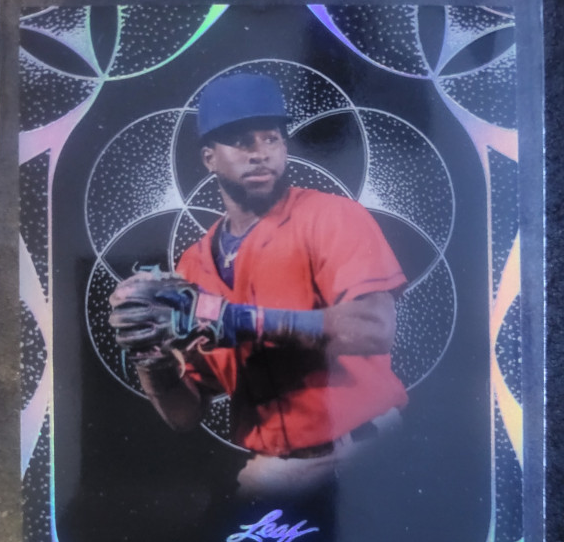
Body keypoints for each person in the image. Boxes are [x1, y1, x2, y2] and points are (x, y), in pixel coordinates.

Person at [109, 73, 408, 496]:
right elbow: (185, 415)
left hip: (367, 450)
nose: (260, 153)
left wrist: (235, 319)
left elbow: (374, 329)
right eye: (241, 141)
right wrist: (152, 362)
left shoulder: (331, 216)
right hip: (273, 468)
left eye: (271, 139)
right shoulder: (193, 265)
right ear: (209, 158)